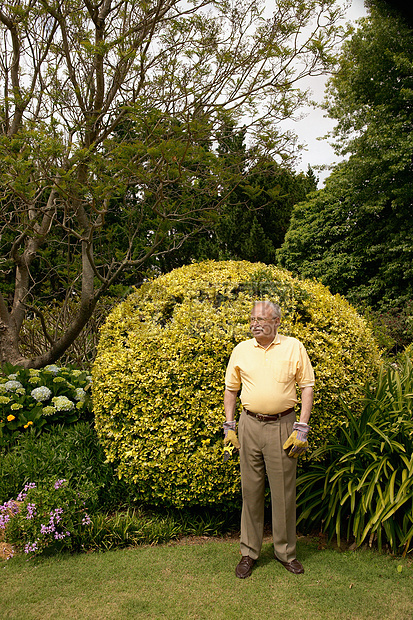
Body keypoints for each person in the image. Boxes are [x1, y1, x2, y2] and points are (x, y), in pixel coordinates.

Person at [224, 300, 315, 578]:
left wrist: (302, 427)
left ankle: (285, 553)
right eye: (252, 319)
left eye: (262, 318)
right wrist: (229, 425)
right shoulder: (241, 350)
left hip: (282, 426)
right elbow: (231, 389)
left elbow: (307, 386)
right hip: (249, 425)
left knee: (283, 493)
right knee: (250, 492)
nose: (255, 323)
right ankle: (248, 553)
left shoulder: (293, 347)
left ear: (276, 321)